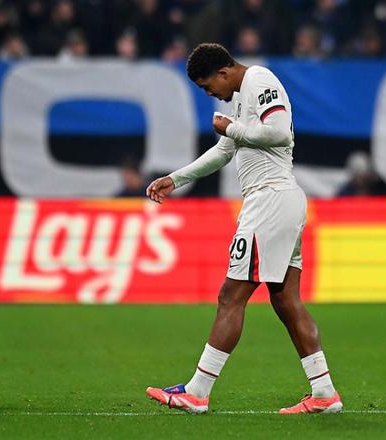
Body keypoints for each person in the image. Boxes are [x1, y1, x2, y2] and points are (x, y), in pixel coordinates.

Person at [145, 43, 342, 414]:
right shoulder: (241, 96)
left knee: (230, 296)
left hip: (270, 201)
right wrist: (176, 178)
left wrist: (231, 126)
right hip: (278, 202)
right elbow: (224, 151)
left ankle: (198, 391)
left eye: (208, 86)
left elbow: (279, 132)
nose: (210, 94)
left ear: (223, 72)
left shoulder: (260, 80)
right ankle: (324, 392)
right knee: (285, 299)